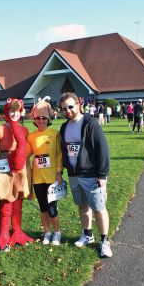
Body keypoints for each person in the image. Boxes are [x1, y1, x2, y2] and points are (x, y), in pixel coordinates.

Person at [59, 92, 112, 258]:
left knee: (99, 208)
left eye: (70, 106)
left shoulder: (91, 123)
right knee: (82, 206)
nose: (67, 111)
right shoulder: (64, 127)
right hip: (74, 175)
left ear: (78, 105)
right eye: (64, 109)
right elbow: (64, 151)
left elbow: (102, 150)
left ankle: (105, 241)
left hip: (91, 175)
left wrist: (102, 175)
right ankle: (87, 235)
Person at [0, 98, 34, 251]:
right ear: (7, 111)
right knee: (6, 200)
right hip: (4, 165)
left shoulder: (24, 130)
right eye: (12, 110)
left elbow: (27, 150)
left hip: (20, 167)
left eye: (17, 111)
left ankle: (17, 231)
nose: (14, 114)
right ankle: (3, 234)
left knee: (18, 200)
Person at [27, 98, 63, 245]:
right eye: (38, 118)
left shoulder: (55, 134)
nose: (41, 120)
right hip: (37, 178)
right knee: (42, 208)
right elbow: (25, 154)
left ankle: (57, 232)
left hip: (52, 177)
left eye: (43, 118)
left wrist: (59, 172)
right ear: (34, 120)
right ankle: (47, 232)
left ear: (48, 119)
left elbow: (59, 154)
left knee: (52, 208)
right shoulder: (31, 136)